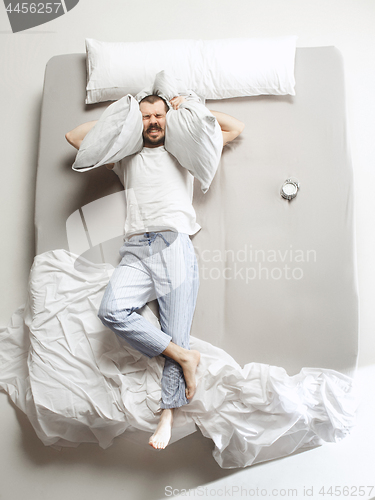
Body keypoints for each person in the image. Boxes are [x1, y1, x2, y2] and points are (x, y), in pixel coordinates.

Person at [65, 94, 244, 449]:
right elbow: (75, 137)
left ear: (168, 118)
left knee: (175, 329)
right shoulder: (126, 155)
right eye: (146, 117)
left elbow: (235, 128)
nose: (153, 122)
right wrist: (125, 113)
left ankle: (167, 413)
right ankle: (182, 356)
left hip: (173, 242)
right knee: (111, 311)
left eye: (158, 115)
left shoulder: (186, 150)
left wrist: (187, 110)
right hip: (135, 247)